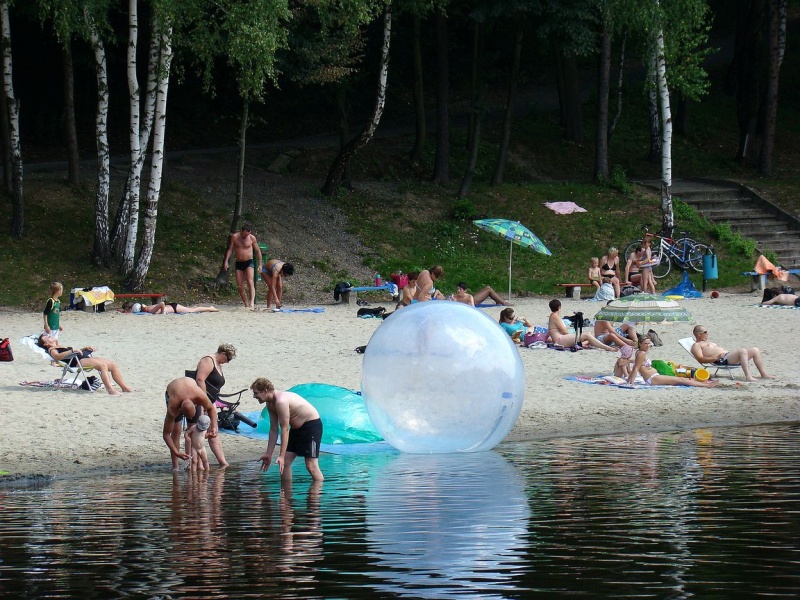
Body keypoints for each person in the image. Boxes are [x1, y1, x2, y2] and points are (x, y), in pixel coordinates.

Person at [252, 377, 324, 482]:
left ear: (265, 391)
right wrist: (268, 454)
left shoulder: (281, 401)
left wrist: (281, 455)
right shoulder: (270, 403)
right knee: (284, 463)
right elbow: (274, 429)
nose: (254, 396)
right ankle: (286, 492)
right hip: (296, 428)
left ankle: (318, 491)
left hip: (311, 427)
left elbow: (285, 429)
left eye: (256, 393)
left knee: (311, 465)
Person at [37, 334, 133, 395]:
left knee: (112, 365)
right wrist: (72, 351)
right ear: (46, 344)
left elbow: (75, 351)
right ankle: (110, 390)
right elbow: (57, 357)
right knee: (103, 366)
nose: (50, 336)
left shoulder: (60, 346)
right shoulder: (52, 349)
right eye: (47, 337)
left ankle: (124, 387)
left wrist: (85, 348)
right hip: (77, 362)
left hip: (82, 357)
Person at [192, 343, 237, 468]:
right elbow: (200, 380)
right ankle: (197, 464)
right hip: (201, 402)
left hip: (211, 402)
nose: (228, 362)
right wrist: (204, 402)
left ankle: (223, 462)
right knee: (199, 432)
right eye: (228, 359)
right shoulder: (208, 360)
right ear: (223, 353)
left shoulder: (218, 364)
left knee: (214, 431)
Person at [163, 377, 219, 471]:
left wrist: (214, 426)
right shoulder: (173, 408)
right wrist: (176, 452)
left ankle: (192, 464)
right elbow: (166, 434)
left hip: (191, 387)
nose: (190, 418)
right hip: (173, 391)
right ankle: (175, 466)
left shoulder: (200, 396)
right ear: (179, 410)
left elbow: (211, 409)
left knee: (194, 427)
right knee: (176, 430)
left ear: (196, 404)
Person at [690, 325, 773, 381]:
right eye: (705, 332)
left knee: (755, 350)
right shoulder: (696, 345)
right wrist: (716, 358)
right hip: (721, 360)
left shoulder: (708, 342)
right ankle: (748, 376)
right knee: (742, 351)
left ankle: (763, 374)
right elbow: (700, 359)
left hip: (727, 356)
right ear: (699, 334)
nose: (707, 334)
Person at [629, 337, 719, 387]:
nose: (648, 345)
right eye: (645, 343)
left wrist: (628, 379)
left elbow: (637, 364)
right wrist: (631, 384)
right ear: (640, 344)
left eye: (649, 343)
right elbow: (636, 368)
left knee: (681, 379)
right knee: (681, 379)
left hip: (654, 377)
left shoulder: (640, 352)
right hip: (652, 379)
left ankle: (704, 383)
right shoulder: (642, 354)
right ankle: (707, 385)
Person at [547, 299, 616, 351]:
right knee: (587, 335)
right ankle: (607, 348)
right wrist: (572, 335)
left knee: (588, 335)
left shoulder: (553, 316)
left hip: (559, 339)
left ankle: (583, 344)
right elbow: (564, 331)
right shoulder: (555, 317)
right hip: (560, 340)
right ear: (559, 307)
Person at [222, 223, 263, 310]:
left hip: (249, 262)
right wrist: (226, 261)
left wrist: (260, 264)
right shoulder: (235, 237)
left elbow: (258, 251)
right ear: (241, 231)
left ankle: (252, 303)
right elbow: (230, 249)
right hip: (239, 262)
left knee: (250, 281)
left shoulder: (252, 238)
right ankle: (246, 304)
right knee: (240, 285)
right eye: (244, 234)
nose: (246, 236)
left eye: (247, 234)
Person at [121, 301, 219, 314]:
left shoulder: (150, 310)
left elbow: (162, 303)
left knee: (192, 310)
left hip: (174, 308)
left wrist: (162, 313)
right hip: (172, 307)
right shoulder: (147, 308)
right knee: (191, 309)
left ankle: (210, 308)